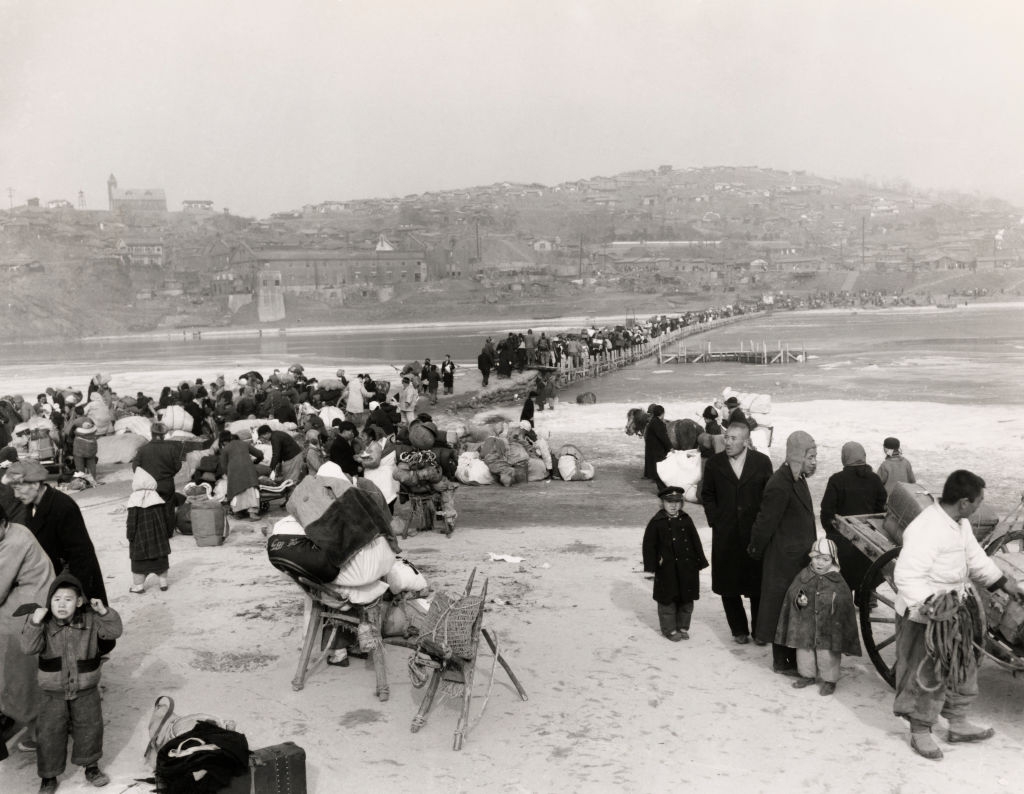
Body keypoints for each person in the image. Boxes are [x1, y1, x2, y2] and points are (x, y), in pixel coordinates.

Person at [892, 469, 1022, 760]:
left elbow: (975, 558)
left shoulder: (959, 524)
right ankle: (920, 730)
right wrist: (931, 607)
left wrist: (1003, 583)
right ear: (964, 502)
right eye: (978, 501)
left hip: (956, 608)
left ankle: (958, 722)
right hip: (927, 616)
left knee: (963, 666)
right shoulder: (927, 528)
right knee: (925, 673)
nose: (980, 506)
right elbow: (907, 576)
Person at [22, 572, 123, 792]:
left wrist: (104, 612)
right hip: (52, 692)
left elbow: (114, 631)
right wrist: (34, 622)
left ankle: (91, 766)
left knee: (90, 728)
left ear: (78, 602)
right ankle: (49, 777)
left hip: (86, 689)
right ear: (49, 602)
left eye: (68, 599)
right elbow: (28, 648)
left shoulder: (90, 619)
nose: (61, 604)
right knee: (49, 733)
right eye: (56, 599)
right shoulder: (44, 623)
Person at [747, 430, 818, 675]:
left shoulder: (796, 478)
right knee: (781, 608)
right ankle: (782, 662)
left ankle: (792, 658)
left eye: (815, 456)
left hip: (797, 558)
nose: (814, 461)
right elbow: (765, 521)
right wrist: (755, 550)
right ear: (798, 456)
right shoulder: (780, 483)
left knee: (795, 608)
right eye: (810, 456)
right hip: (783, 559)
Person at [700, 422, 774, 644]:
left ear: (746, 440)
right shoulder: (714, 463)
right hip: (726, 533)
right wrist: (716, 520)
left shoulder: (761, 462)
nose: (728, 442)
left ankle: (760, 631)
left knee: (757, 584)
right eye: (726, 437)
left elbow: (768, 496)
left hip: (754, 533)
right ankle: (739, 630)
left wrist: (763, 526)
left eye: (733, 438)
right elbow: (707, 494)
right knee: (728, 584)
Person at [3, 461, 110, 610]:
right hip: (53, 582)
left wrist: (74, 593)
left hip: (69, 584)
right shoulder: (31, 506)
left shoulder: (63, 506)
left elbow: (80, 556)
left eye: (18, 488)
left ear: (34, 484)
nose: (16, 495)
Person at [0, 504, 54, 759]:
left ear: (3, 522)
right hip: (23, 596)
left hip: (31, 601)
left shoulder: (13, 542)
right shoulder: (14, 531)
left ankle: (38, 729)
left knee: (17, 663)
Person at [775, 538, 861, 695]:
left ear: (833, 560)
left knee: (827, 652)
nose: (820, 563)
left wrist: (833, 605)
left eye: (825, 559)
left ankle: (829, 680)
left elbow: (844, 601)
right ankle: (807, 675)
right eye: (816, 558)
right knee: (804, 650)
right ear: (811, 558)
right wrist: (799, 598)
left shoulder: (837, 580)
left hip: (828, 625)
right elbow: (794, 592)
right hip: (805, 623)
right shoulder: (804, 575)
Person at [819, 441, 887, 605]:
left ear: (844, 458)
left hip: (843, 541)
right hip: (868, 539)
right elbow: (881, 507)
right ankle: (867, 595)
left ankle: (844, 599)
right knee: (865, 567)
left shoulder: (837, 480)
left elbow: (827, 510)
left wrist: (831, 532)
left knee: (845, 571)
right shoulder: (874, 479)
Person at [642, 486, 709, 641]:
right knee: (668, 599)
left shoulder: (686, 519)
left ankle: (683, 627)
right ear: (662, 503)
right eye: (669, 502)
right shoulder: (657, 522)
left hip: (687, 567)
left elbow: (695, 541)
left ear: (682, 503)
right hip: (667, 568)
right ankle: (670, 629)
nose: (673, 505)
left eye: (677, 502)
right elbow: (649, 546)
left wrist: (699, 561)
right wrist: (651, 567)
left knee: (686, 598)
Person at [125, 469, 171, 593]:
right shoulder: (157, 498)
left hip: (140, 539)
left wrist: (130, 535)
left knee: (139, 564)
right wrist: (166, 532)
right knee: (160, 560)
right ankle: (163, 582)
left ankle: (139, 586)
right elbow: (167, 518)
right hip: (158, 537)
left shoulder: (134, 500)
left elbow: (131, 522)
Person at [131, 422, 183, 530]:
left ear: (152, 433)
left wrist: (145, 477)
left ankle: (155, 532)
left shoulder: (143, 450)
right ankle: (168, 532)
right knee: (168, 508)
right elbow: (178, 465)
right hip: (166, 482)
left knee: (151, 509)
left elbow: (135, 467)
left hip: (149, 485)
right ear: (163, 434)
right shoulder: (171, 448)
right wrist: (170, 473)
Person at [217, 431, 264, 520]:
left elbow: (223, 466)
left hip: (234, 473)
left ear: (223, 441)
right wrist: (256, 462)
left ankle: (238, 513)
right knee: (251, 491)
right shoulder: (244, 444)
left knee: (236, 493)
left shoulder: (225, 449)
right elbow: (260, 454)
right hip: (249, 471)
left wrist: (229, 475)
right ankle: (252, 514)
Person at [643, 404, 672, 486]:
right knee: (660, 468)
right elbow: (663, 437)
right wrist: (670, 447)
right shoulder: (658, 423)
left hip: (653, 449)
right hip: (657, 450)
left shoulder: (652, 422)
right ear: (662, 414)